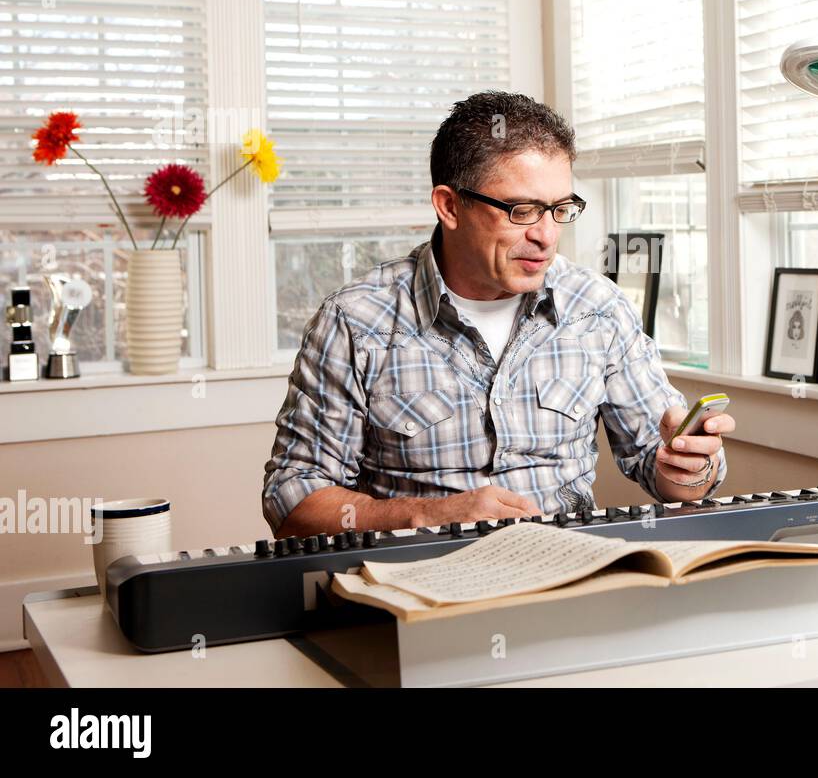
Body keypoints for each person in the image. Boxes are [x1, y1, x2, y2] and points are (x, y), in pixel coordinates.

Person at [262, 91, 735, 538]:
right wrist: (429, 516)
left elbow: (667, 474)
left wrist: (691, 466)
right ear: (450, 206)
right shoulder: (356, 321)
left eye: (560, 209)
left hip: (567, 582)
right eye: (523, 210)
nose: (547, 236)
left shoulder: (597, 308)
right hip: (422, 589)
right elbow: (292, 501)